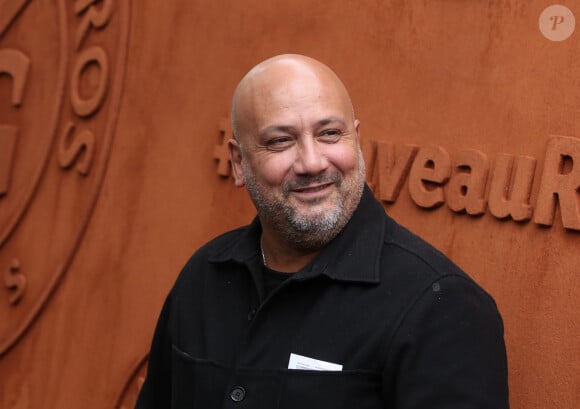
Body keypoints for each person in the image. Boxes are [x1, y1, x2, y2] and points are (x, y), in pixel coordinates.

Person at [135, 54, 509, 408]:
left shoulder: (440, 307)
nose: (312, 163)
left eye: (330, 134)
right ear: (238, 162)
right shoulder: (204, 276)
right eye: (281, 140)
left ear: (356, 141)